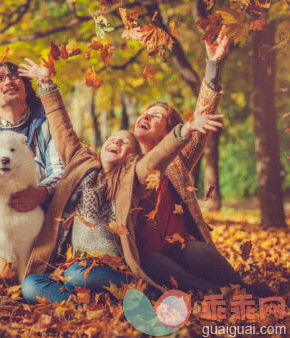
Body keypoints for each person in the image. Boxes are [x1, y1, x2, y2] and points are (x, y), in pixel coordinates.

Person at [17, 59, 224, 304]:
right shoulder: (80, 163)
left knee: (78, 275)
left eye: (124, 142)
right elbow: (62, 128)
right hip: (82, 264)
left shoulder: (133, 177)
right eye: (113, 138)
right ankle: (80, 303)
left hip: (127, 265)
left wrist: (184, 131)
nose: (116, 142)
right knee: (31, 285)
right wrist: (45, 83)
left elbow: (155, 160)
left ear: (132, 157)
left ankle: (221, 290)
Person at [132, 27, 245, 293]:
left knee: (197, 250)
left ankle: (242, 290)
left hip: (181, 247)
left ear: (170, 130)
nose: (146, 116)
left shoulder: (176, 161)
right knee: (151, 261)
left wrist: (214, 65)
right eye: (145, 113)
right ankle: (215, 293)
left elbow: (203, 109)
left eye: (156, 116)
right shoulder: (126, 160)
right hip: (148, 258)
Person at [0, 61, 64, 212]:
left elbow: (62, 170)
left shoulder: (49, 124)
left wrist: (41, 193)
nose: (8, 81)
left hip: (49, 211)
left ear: (26, 91)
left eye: (14, 76)